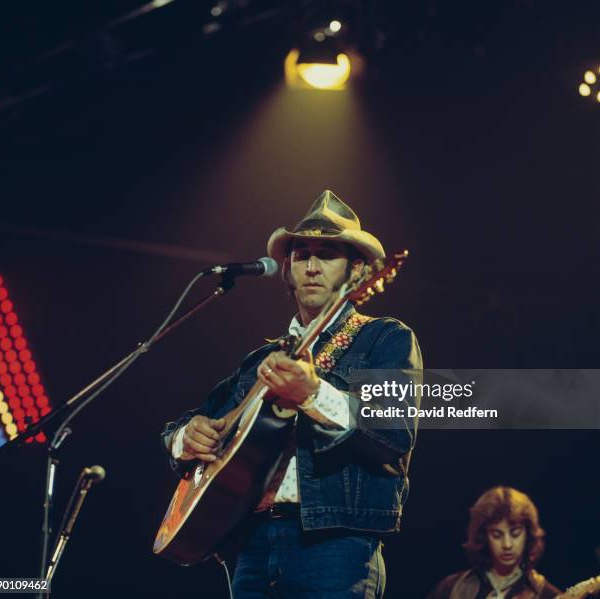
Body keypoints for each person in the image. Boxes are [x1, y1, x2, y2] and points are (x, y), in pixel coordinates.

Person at [161, 190, 423, 598]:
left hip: (334, 544)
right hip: (249, 546)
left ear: (357, 271)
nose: (313, 267)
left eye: (328, 254)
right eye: (302, 255)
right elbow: (190, 422)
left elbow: (392, 436)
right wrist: (185, 437)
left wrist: (312, 393)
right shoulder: (260, 361)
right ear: (287, 270)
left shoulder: (383, 338)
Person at [427, 486, 561, 599]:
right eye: (497, 535)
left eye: (515, 534)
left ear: (528, 534)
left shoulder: (546, 595)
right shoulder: (451, 589)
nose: (507, 544)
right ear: (483, 537)